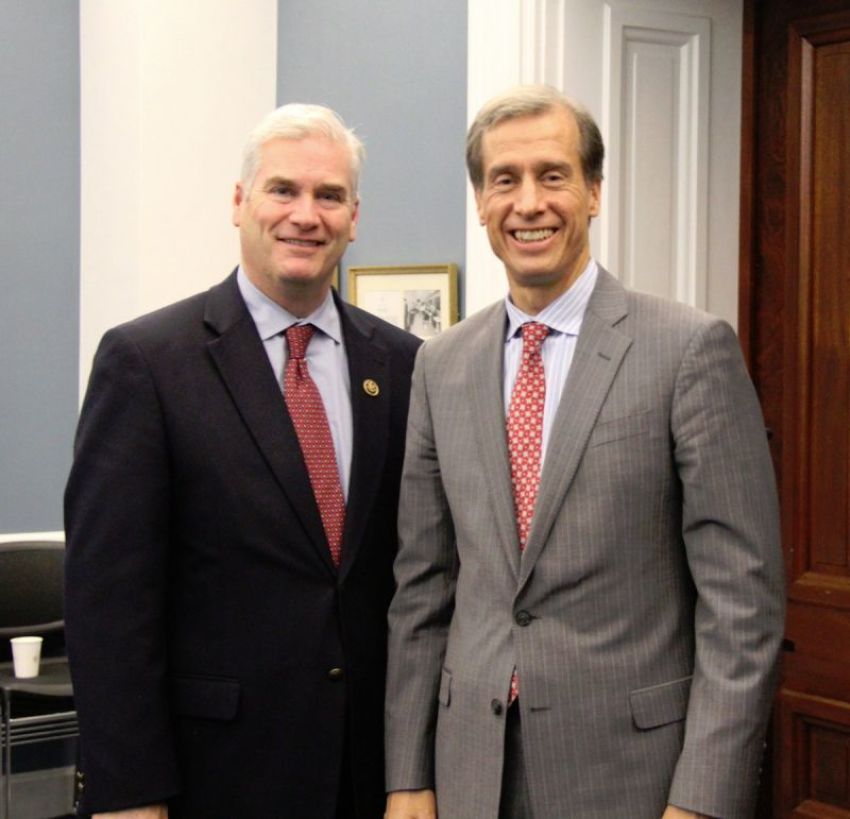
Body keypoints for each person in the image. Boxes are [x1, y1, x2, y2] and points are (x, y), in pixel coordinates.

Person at [384, 85, 784, 819]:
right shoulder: (440, 364)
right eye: (504, 179)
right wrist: (407, 776)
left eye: (553, 175)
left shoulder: (688, 350)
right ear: (480, 201)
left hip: (634, 780)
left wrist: (703, 798)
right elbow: (422, 588)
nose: (528, 202)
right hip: (471, 771)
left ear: (594, 191)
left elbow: (743, 605)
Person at [64, 103, 421, 819]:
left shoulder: (406, 364)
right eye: (282, 190)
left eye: (329, 196)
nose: (305, 215)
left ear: (355, 216)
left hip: (368, 775)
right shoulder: (148, 363)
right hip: (212, 777)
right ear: (240, 202)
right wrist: (128, 794)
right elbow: (110, 608)